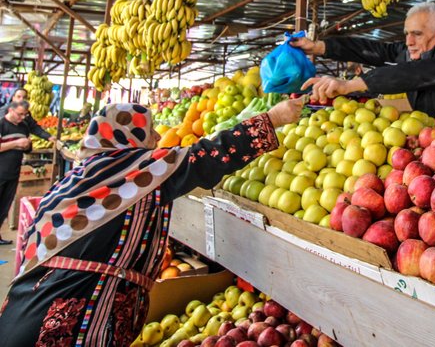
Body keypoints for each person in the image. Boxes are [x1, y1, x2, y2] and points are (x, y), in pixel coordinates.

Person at [0, 98, 303, 345]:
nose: (158, 138)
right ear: (126, 136)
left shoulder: (82, 176)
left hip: (24, 309)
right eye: (150, 131)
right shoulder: (133, 172)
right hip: (62, 322)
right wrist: (272, 118)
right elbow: (208, 157)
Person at [291, 1, 435, 118]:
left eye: (417, 34)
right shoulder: (416, 48)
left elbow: (417, 73)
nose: (409, 41)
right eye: (406, 33)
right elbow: (375, 50)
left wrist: (349, 85)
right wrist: (318, 47)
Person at [0, 100, 33, 245]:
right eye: (19, 114)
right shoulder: (1, 124)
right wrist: (16, 143)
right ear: (11, 110)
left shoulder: (24, 127)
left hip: (13, 172)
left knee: (4, 207)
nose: (21, 118)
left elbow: (26, 149)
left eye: (24, 115)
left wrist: (27, 145)